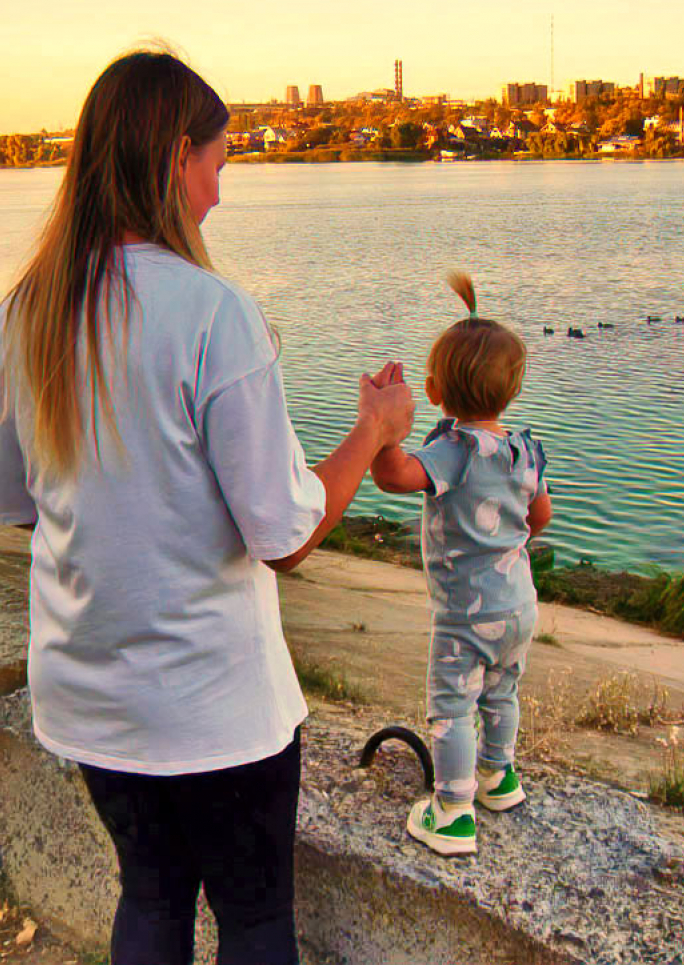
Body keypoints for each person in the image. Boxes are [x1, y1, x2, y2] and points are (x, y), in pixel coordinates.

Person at [0, 49, 414, 964]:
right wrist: (375, 428)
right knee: (256, 919)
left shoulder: (27, 308)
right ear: (176, 155)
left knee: (150, 901)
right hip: (211, 705)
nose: (219, 194)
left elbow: (19, 500)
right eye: (219, 165)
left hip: (90, 691)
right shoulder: (212, 313)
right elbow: (284, 538)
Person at [370, 272, 552, 856]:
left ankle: (452, 811)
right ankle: (498, 778)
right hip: (519, 605)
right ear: (513, 389)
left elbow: (395, 477)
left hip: (465, 615)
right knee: (502, 694)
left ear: (434, 388)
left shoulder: (453, 450)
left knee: (453, 704)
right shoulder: (524, 448)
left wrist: (381, 431)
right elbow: (539, 517)